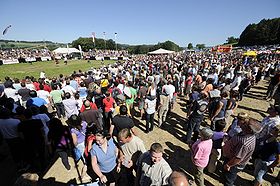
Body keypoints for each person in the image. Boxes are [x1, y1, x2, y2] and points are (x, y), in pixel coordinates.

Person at [222, 118, 262, 186]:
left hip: (233, 164)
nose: (241, 125)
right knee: (226, 176)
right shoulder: (245, 133)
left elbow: (238, 158)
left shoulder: (245, 144)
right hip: (230, 159)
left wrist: (228, 165)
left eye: (244, 124)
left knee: (229, 180)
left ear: (249, 129)